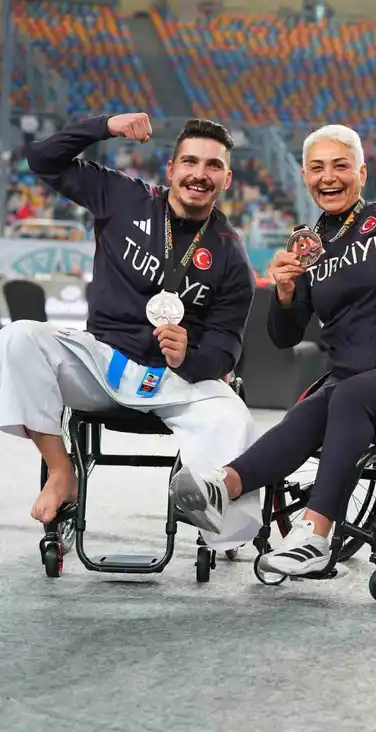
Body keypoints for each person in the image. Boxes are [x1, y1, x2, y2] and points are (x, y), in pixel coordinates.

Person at [171, 124, 376, 576]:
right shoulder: (308, 249)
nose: (328, 177)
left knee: (346, 396)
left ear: (361, 172)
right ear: (305, 175)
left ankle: (316, 534)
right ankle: (221, 487)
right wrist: (285, 291)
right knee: (309, 411)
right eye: (317, 168)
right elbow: (284, 336)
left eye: (340, 166)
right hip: (353, 379)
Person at [0, 112, 261, 552]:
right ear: (171, 169)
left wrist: (189, 357)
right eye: (190, 162)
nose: (200, 174)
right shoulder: (123, 196)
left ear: (227, 178)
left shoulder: (232, 257)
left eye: (213, 166)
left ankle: (209, 508)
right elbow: (41, 159)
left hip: (175, 380)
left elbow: (225, 351)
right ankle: (61, 472)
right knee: (18, 337)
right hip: (102, 364)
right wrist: (105, 126)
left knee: (235, 417)